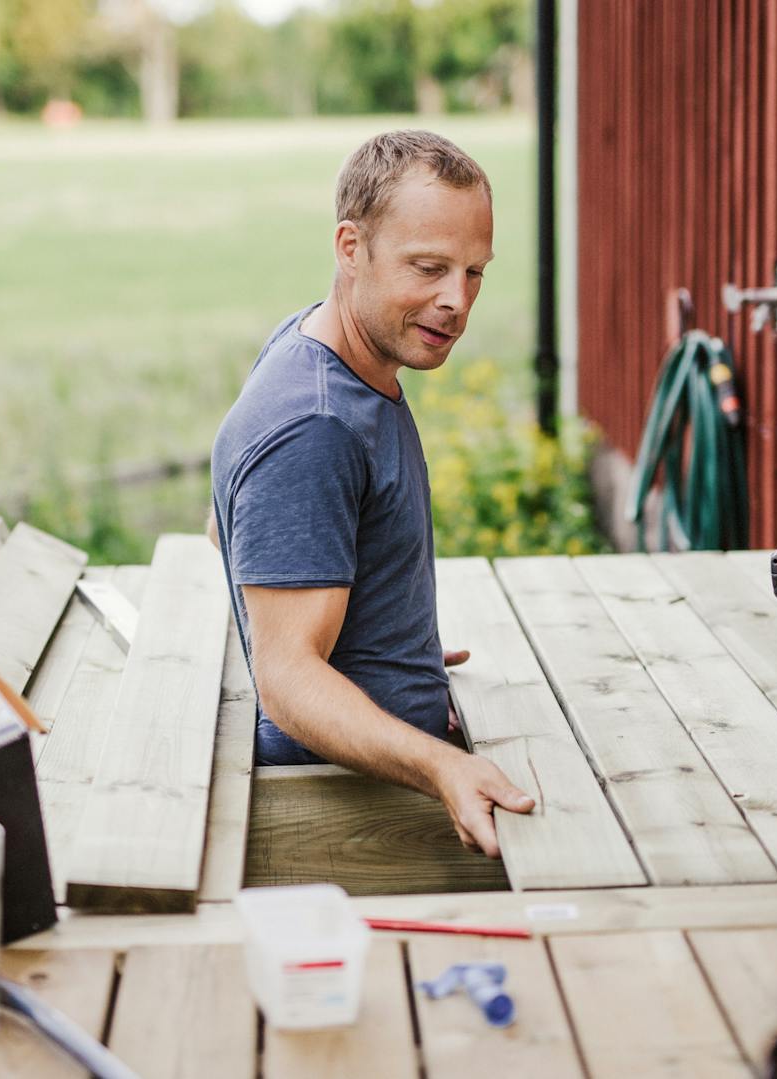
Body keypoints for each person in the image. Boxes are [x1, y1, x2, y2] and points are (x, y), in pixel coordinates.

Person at [208, 130, 535, 858]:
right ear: (351, 247)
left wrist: (386, 633)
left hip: (391, 750)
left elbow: (227, 525)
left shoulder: (310, 339)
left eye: (474, 272)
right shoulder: (317, 423)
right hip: (349, 810)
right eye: (429, 268)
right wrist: (444, 764)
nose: (457, 301)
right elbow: (288, 680)